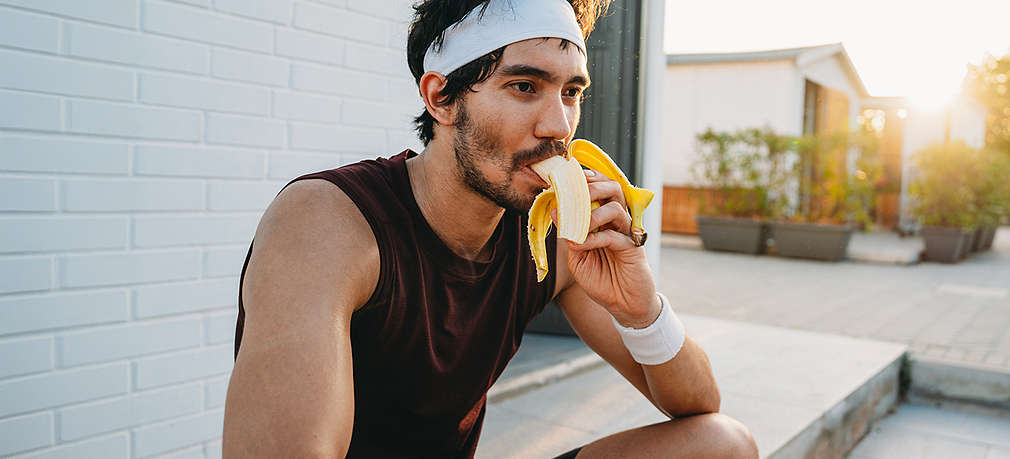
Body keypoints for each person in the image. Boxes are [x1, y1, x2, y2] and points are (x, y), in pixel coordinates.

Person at [222, 0, 758, 457]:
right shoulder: (329, 220)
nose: (558, 127)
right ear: (440, 98)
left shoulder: (552, 236)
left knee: (721, 444)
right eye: (525, 86)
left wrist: (642, 311)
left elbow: (697, 405)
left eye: (571, 92)